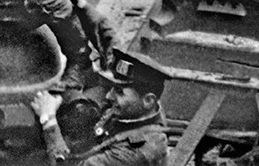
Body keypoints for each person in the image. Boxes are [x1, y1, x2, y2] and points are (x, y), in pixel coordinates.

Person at [30, 49, 169, 165]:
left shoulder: (136, 152)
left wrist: (48, 118)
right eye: (112, 88)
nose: (109, 96)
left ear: (148, 100)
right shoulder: (143, 112)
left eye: (120, 92)